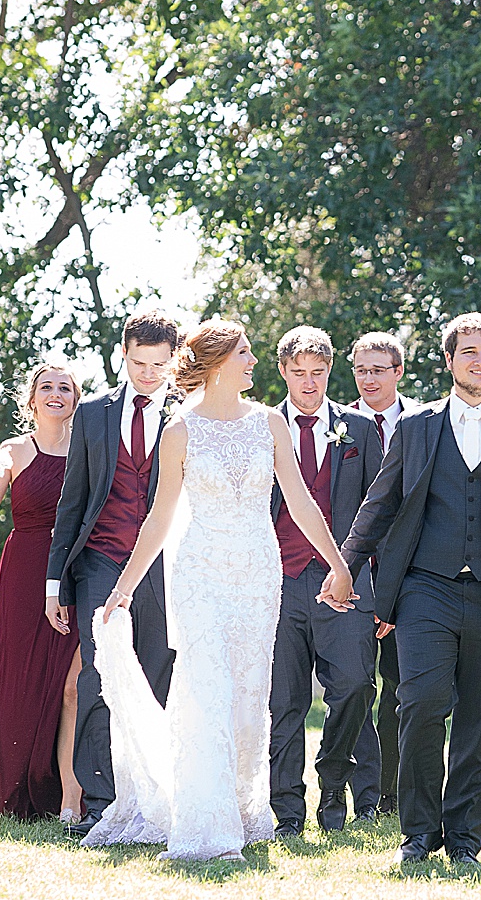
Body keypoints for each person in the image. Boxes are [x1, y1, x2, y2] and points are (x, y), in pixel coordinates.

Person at [83, 321, 355, 862]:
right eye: (245, 353)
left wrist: (338, 564)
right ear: (217, 361)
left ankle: (242, 806)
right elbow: (159, 519)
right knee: (206, 689)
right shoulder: (180, 430)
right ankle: (204, 821)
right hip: (200, 572)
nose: (253, 361)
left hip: (257, 571)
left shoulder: (269, 423)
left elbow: (301, 502)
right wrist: (125, 587)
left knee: (250, 695)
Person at [340, 313, 481, 865]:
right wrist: (346, 564)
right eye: (469, 352)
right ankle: (419, 833)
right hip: (427, 589)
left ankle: (466, 837)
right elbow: (381, 502)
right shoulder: (417, 426)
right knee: (419, 704)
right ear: (448, 361)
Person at [45, 309, 184, 837]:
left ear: (174, 361)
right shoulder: (94, 413)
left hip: (166, 567)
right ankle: (100, 806)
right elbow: (72, 499)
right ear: (122, 356)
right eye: (138, 362)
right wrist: (57, 579)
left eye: (158, 364)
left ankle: (157, 800)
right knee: (100, 680)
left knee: (158, 678)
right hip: (100, 561)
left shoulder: (189, 414)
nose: (148, 374)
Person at [267, 326, 383, 835]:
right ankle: (286, 809)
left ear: (330, 371)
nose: (309, 383)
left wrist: (383, 592)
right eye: (299, 373)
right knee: (283, 701)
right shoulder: (260, 428)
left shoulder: (357, 429)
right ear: (283, 373)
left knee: (356, 687)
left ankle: (334, 785)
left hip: (347, 583)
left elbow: (382, 509)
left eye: (318, 373)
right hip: (276, 581)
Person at [0, 363, 85, 822]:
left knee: (70, 685)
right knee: (20, 683)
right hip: (23, 574)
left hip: (77, 571)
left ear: (76, 398)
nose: (56, 394)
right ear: (31, 399)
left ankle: (69, 795)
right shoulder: (13, 450)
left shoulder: (89, 448)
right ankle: (14, 785)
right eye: (46, 387)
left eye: (65, 388)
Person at [346, 330, 421, 817]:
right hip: (351, 573)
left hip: (411, 573)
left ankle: (395, 793)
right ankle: (363, 795)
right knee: (354, 686)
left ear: (398, 372)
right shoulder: (339, 425)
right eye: (361, 370)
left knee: (400, 687)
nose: (369, 379)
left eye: (379, 369)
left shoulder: (425, 422)